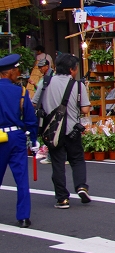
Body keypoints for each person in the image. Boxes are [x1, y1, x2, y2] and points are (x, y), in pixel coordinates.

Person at [32, 54, 91, 209]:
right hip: (72, 130)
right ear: (72, 69)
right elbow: (85, 108)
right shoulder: (78, 85)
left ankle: (62, 199)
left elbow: (34, 103)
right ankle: (81, 187)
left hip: (51, 131)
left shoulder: (45, 82)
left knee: (57, 163)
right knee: (77, 159)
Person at [0, 54, 37, 227]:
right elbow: (30, 119)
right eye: (17, 70)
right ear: (10, 72)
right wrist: (34, 138)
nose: (19, 73)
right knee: (21, 178)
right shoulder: (21, 91)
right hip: (16, 136)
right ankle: (23, 217)